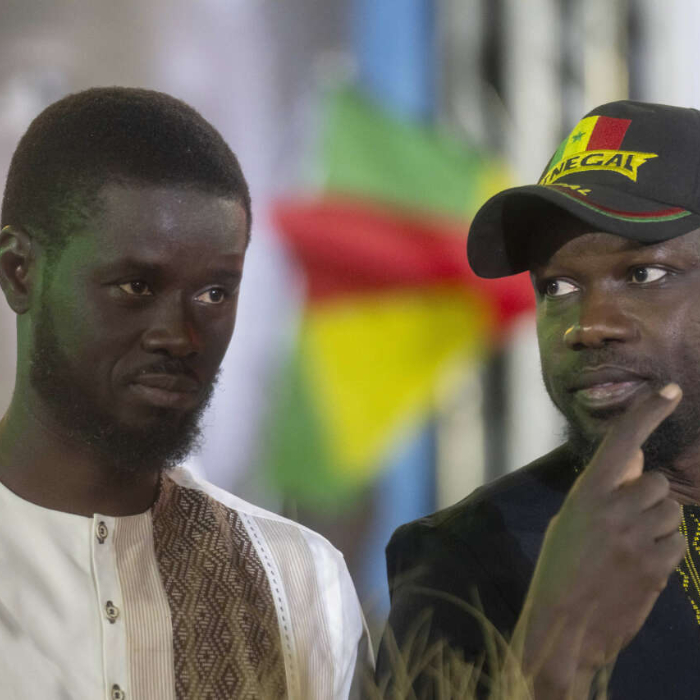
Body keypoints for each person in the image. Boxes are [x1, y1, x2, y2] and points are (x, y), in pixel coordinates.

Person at [0, 87, 371, 700]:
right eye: (136, 286)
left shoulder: (300, 581)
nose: (179, 336)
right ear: (20, 271)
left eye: (214, 293)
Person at [376, 100, 700, 699]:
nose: (588, 326)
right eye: (558, 286)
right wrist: (550, 660)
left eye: (644, 275)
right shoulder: (468, 558)